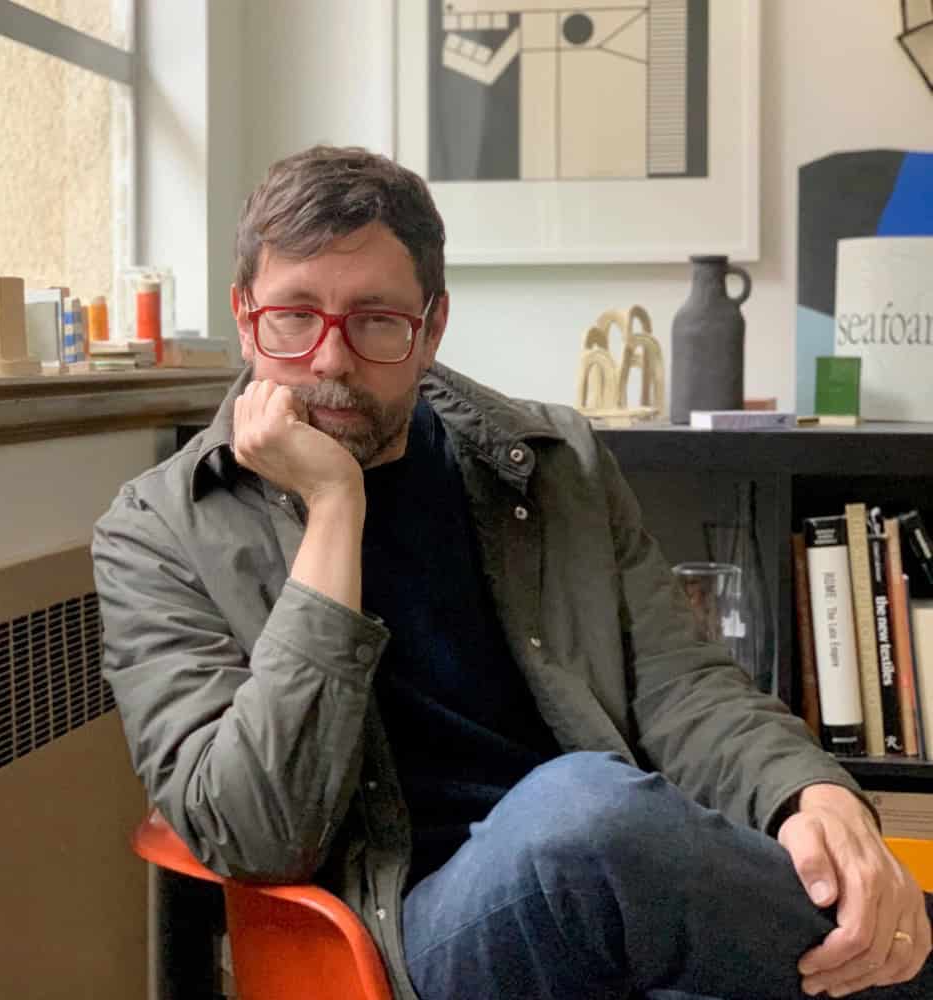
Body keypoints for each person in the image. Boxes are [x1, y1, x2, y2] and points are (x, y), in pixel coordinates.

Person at [92, 145, 932, 1000]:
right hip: (403, 930)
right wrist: (334, 511)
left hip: (617, 895)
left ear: (433, 326)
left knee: (791, 904)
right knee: (586, 814)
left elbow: (682, 687)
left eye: (377, 319)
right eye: (295, 316)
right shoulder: (158, 530)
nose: (331, 361)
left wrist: (809, 795)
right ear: (245, 315)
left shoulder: (551, 460)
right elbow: (256, 830)